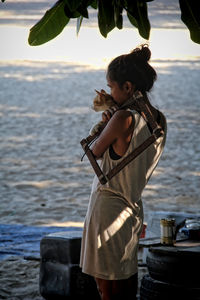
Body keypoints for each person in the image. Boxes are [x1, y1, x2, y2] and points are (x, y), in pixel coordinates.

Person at [80, 44, 167, 300]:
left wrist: (106, 124)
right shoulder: (159, 120)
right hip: (133, 208)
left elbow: (94, 152)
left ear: (128, 87)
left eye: (111, 87)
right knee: (126, 283)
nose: (109, 92)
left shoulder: (122, 118)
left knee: (106, 288)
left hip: (108, 208)